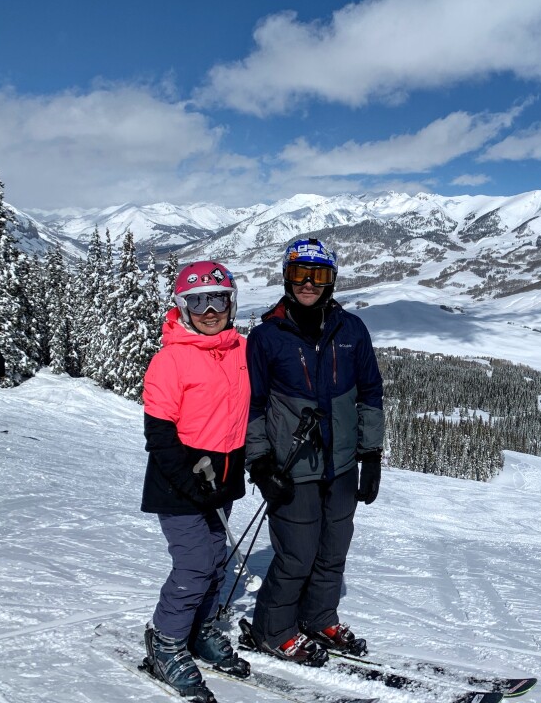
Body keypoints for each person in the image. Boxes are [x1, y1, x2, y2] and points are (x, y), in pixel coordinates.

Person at [244, 237, 384, 665]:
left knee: (333, 548)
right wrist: (261, 462)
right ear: (287, 278)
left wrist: (371, 453)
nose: (308, 283)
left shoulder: (351, 330)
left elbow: (370, 393)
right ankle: (273, 629)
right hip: (291, 466)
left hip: (340, 464)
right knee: (297, 553)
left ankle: (319, 616)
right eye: (300, 274)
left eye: (318, 275)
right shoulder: (267, 337)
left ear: (331, 281)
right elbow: (253, 404)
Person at [140, 261, 251, 700]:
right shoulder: (171, 358)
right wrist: (186, 480)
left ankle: (199, 629)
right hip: (179, 482)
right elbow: (159, 432)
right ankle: (166, 642)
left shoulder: (240, 351)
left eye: (218, 299)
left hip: (221, 478)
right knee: (193, 564)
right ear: (183, 307)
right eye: (198, 301)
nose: (209, 310)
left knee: (217, 559)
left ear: (231, 303)